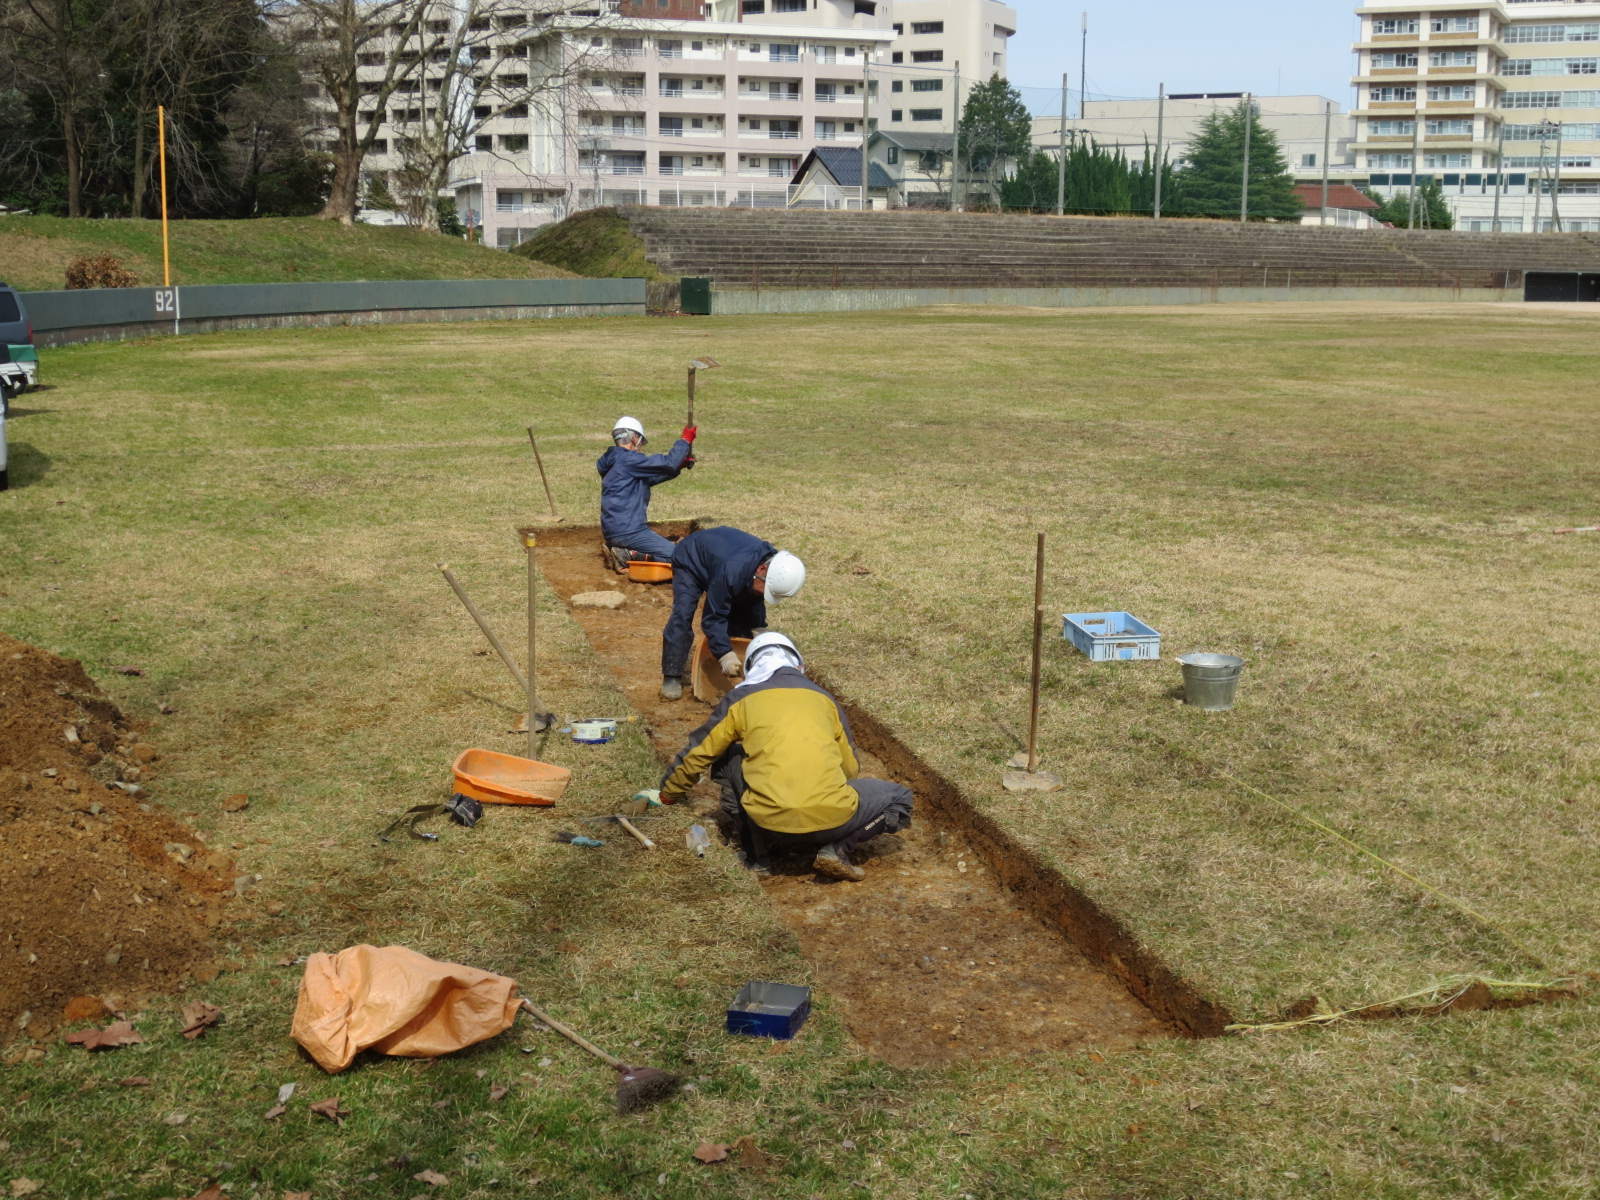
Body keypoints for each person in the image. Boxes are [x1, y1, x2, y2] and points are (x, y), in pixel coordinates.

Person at [653, 633, 913, 882]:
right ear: (798, 664)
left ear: (752, 667)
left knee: (729, 755)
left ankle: (757, 857)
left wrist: (668, 795)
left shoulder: (739, 699)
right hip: (834, 821)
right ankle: (839, 849)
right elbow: (850, 769)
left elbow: (699, 753)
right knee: (900, 797)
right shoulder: (824, 699)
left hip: (767, 824)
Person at [659, 526, 805, 701]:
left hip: (722, 560)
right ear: (761, 571)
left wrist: (758, 629)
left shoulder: (774, 565)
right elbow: (712, 617)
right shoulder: (731, 572)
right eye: (767, 589)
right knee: (683, 614)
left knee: (744, 612)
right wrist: (725, 655)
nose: (765, 594)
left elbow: (754, 599)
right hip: (691, 559)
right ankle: (672, 675)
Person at [596, 416, 695, 567]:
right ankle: (626, 555)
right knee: (679, 558)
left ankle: (617, 549)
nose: (641, 446)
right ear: (634, 437)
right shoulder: (628, 459)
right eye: (641, 441)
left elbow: (651, 479)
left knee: (670, 551)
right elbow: (669, 463)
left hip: (615, 530)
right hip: (629, 531)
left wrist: (679, 466)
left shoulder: (616, 461)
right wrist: (685, 440)